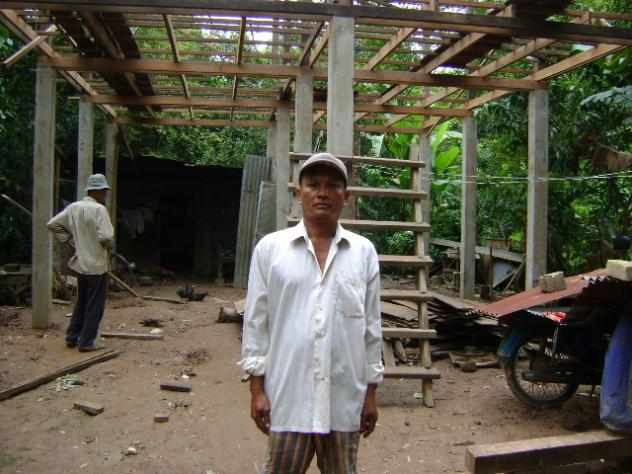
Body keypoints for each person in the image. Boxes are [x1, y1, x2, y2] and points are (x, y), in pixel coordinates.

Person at [238, 152, 384, 473]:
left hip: (343, 401)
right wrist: (257, 390)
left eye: (332, 186)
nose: (322, 193)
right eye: (313, 184)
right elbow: (256, 322)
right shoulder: (271, 250)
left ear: (346, 196)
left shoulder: (363, 253)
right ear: (298, 192)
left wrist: (370, 394)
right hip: (288, 400)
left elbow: (371, 328)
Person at [47, 173, 114, 352]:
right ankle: (87, 342)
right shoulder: (99, 209)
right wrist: (110, 246)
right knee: (95, 305)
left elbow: (52, 224)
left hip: (81, 265)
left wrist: (69, 240)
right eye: (104, 191)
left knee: (82, 302)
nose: (105, 195)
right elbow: (106, 236)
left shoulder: (73, 208)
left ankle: (72, 336)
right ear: (97, 191)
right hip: (97, 266)